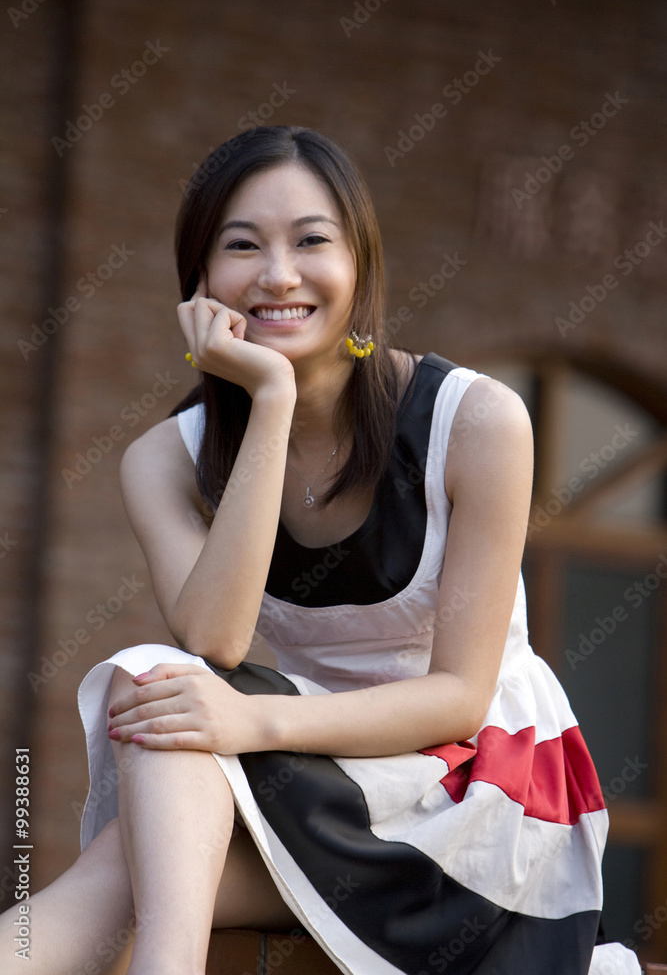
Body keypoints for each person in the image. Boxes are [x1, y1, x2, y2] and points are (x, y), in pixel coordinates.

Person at [1, 126, 641, 975]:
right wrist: (268, 401)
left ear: (361, 266)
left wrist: (253, 721)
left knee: (170, 755)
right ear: (197, 278)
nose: (277, 274)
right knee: (161, 702)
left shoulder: (477, 423)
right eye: (241, 246)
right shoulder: (163, 458)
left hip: (480, 797)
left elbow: (457, 697)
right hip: (322, 775)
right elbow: (218, 643)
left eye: (310, 241)